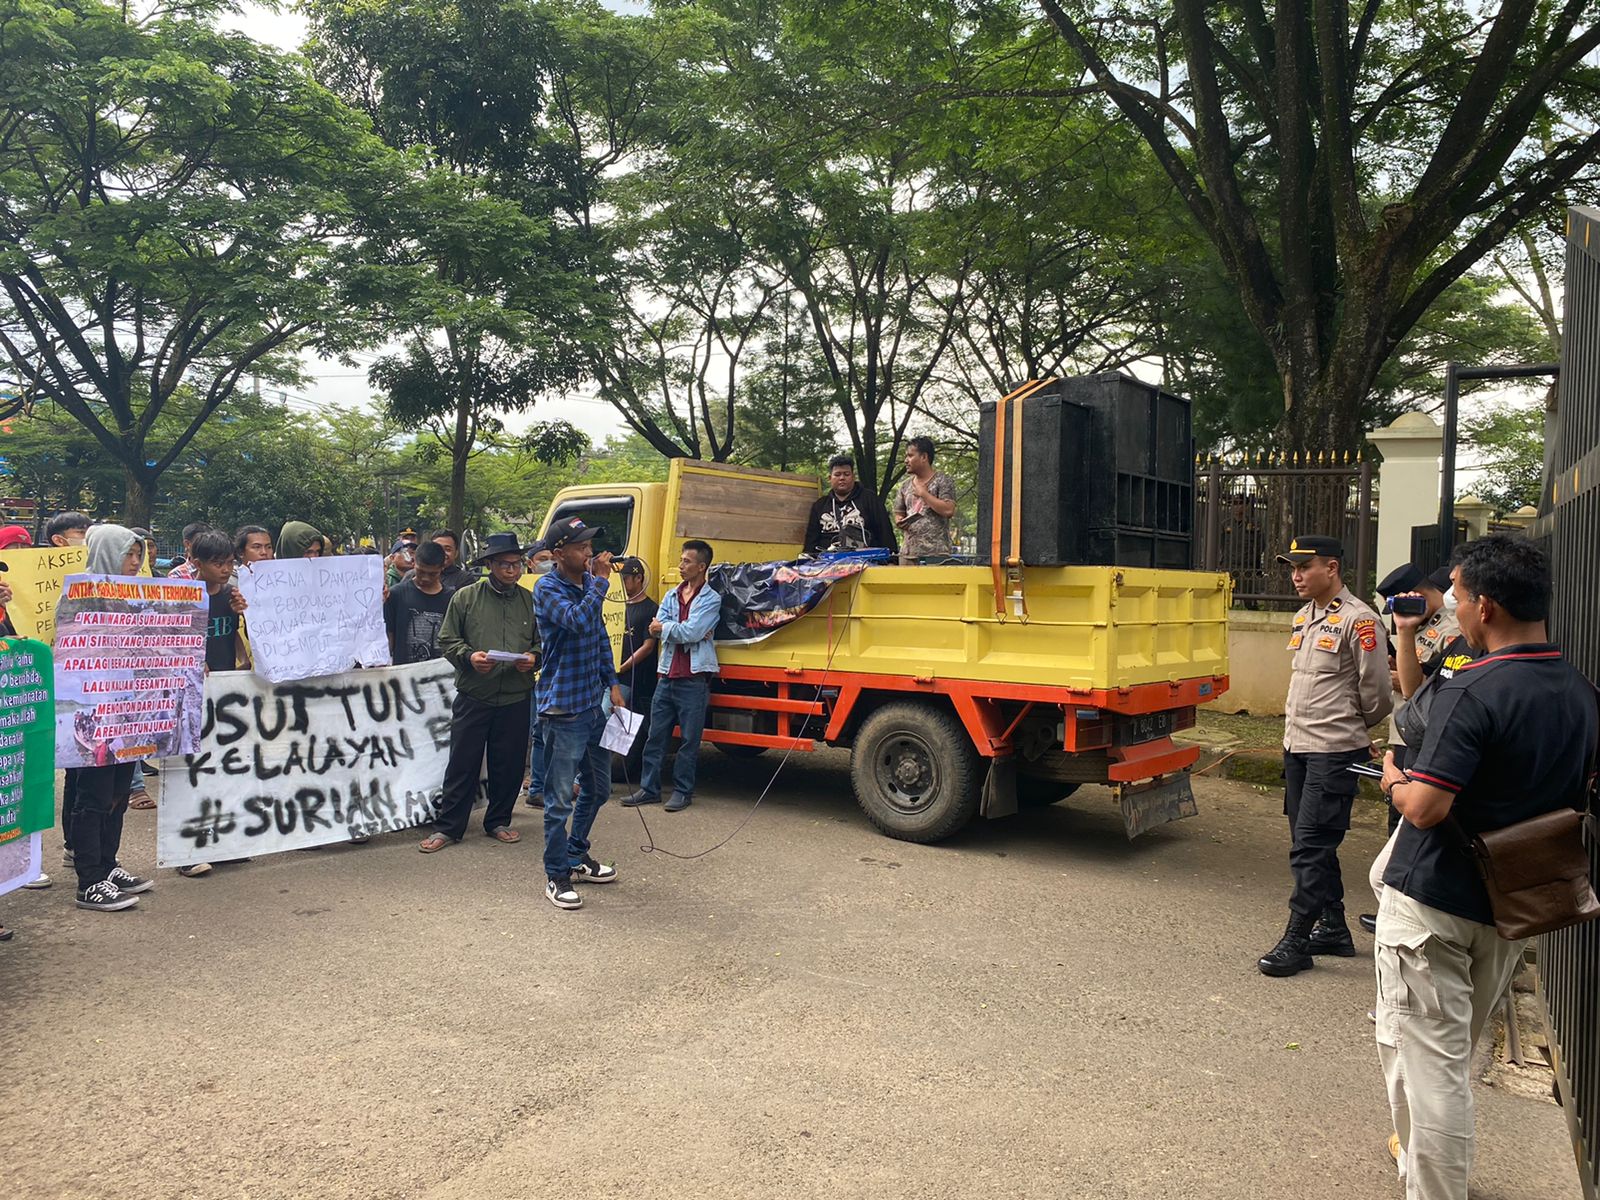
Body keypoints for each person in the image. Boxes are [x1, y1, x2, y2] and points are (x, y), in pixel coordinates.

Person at [1375, 535, 1597, 1196]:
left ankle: (1435, 1185)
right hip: (1511, 904)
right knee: (1436, 1052)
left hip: (1436, 902)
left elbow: (1426, 809)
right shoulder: (1581, 692)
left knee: (1436, 1067)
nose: (1458, 609)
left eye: (1462, 597)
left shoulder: (1474, 689)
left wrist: (1391, 779)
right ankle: (1415, 1151)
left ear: (1486, 608)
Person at [1258, 534, 1392, 977]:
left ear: (1331, 568)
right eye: (1292, 568)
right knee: (1307, 842)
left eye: (1305, 567)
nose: (1296, 576)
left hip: (1333, 749)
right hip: (1298, 745)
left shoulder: (1361, 621)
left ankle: (1298, 937)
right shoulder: (1304, 617)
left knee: (1311, 847)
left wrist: (1354, 729)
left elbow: (1377, 694)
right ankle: (1333, 926)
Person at [419, 533, 539, 854]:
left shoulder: (529, 600)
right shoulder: (466, 598)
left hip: (516, 695)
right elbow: (448, 639)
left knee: (510, 763)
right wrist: (469, 657)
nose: (512, 571)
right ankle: (449, 827)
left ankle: (498, 820)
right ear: (489, 565)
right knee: (463, 762)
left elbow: (542, 643)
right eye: (504, 565)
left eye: (516, 565)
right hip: (475, 693)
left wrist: (534, 658)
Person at [533, 517, 624, 910]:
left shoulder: (588, 584)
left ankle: (575, 854)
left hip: (592, 705)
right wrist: (601, 583)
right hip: (562, 708)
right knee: (558, 800)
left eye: (590, 546)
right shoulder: (547, 588)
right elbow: (577, 621)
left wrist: (614, 684)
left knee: (600, 788)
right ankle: (556, 875)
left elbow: (599, 636)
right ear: (558, 554)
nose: (589, 552)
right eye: (581, 547)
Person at [67, 524, 156, 911]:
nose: (135, 562)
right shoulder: (80, 594)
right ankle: (89, 881)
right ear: (106, 553)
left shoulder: (140, 596)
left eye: (138, 555)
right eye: (127, 554)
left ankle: (107, 865)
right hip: (94, 717)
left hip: (130, 713)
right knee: (94, 795)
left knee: (119, 793)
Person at [172, 528, 252, 878]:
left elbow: (242, 639)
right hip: (186, 699)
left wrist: (246, 616)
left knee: (223, 769)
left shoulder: (233, 596)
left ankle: (220, 842)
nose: (224, 569)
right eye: (217, 563)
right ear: (196, 562)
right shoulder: (181, 597)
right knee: (188, 773)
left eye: (229, 563)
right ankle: (183, 850)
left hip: (225, 693)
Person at [623, 541, 720, 813]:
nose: (681, 566)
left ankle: (682, 791)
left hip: (693, 678)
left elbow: (690, 632)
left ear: (702, 567)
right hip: (665, 675)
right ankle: (649, 789)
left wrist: (665, 628)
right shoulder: (670, 596)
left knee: (689, 740)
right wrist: (672, 629)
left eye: (687, 561)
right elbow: (660, 629)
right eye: (681, 560)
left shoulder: (711, 599)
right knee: (655, 736)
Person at [804, 455, 897, 555]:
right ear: (830, 478)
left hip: (865, 560)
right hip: (826, 562)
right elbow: (811, 539)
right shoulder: (820, 505)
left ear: (853, 477)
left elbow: (884, 530)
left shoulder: (870, 499)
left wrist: (891, 558)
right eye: (837, 474)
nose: (842, 478)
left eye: (846, 474)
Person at [522, 540, 557, 809]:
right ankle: (535, 784)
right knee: (535, 729)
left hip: (550, 671)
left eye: (551, 557)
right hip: (527, 671)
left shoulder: (559, 590)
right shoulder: (522, 593)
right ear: (530, 563)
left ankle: (541, 784)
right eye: (542, 558)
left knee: (544, 729)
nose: (548, 562)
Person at [383, 540, 450, 665]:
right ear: (414, 563)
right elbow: (389, 639)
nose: (425, 578)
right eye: (421, 571)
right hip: (404, 675)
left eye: (432, 574)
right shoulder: (396, 595)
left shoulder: (452, 598)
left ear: (442, 568)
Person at [892, 436, 957, 563]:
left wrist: (924, 494)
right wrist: (900, 521)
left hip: (936, 554)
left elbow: (949, 510)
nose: (906, 460)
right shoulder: (905, 485)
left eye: (910, 456)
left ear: (924, 457)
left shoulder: (943, 480)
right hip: (908, 554)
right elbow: (898, 513)